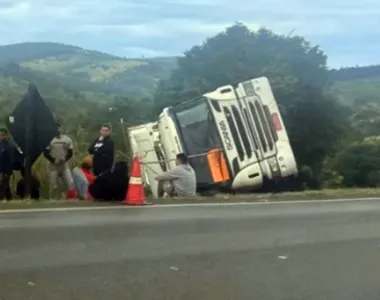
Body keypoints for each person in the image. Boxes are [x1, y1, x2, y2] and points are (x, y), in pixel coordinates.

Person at [43, 124, 76, 199]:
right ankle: (53, 200)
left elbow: (70, 152)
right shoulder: (49, 140)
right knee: (54, 186)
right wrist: (53, 160)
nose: (57, 130)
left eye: (58, 128)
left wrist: (65, 158)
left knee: (70, 183)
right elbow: (45, 153)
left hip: (64, 165)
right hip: (53, 166)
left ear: (61, 129)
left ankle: (71, 199)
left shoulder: (67, 139)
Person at [0, 128, 13, 200]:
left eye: (3, 135)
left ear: (6, 136)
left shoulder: (9, 146)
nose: (1, 136)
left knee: (3, 184)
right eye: (0, 135)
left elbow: (11, 160)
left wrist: (8, 171)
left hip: (5, 170)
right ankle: (9, 197)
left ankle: (2, 197)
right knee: (5, 185)